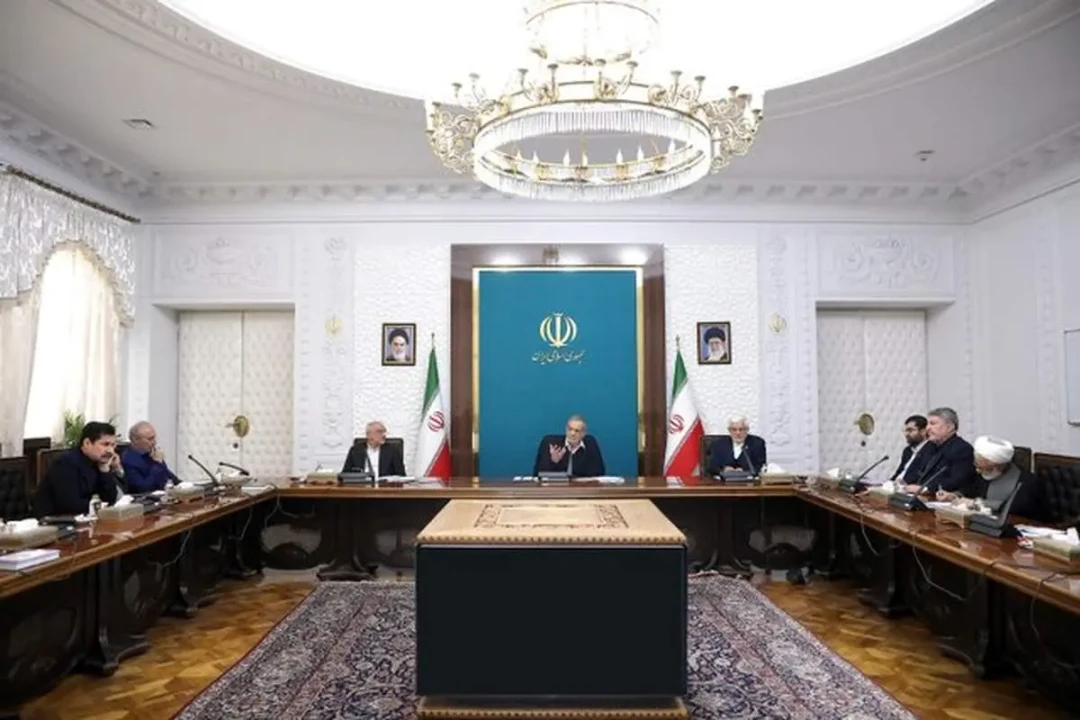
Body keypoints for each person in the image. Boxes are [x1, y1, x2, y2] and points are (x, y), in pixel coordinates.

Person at [939, 435, 1042, 518]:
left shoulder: (1026, 482)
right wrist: (954, 495)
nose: (977, 470)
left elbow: (1015, 508)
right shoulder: (984, 475)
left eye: (980, 466)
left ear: (995, 465)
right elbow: (970, 490)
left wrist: (977, 503)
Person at [33, 421, 121, 517]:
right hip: (54, 521)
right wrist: (99, 505)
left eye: (113, 445)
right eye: (105, 444)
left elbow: (110, 498)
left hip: (85, 518)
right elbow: (70, 504)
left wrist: (104, 471)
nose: (110, 451)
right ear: (87, 443)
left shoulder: (98, 462)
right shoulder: (66, 463)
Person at [905, 407, 977, 497]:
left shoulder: (962, 449)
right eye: (927, 424)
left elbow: (956, 481)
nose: (927, 428)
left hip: (944, 499)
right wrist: (905, 484)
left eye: (933, 424)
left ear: (950, 427)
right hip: (918, 496)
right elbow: (915, 470)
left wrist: (926, 488)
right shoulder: (929, 446)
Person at [532, 415, 606, 478]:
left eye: (577, 431)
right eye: (570, 429)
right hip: (556, 488)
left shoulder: (590, 445)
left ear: (583, 434)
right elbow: (538, 474)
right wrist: (554, 462)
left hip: (581, 488)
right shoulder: (553, 446)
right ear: (566, 429)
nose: (572, 433)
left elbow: (599, 474)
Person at [121, 421, 179, 493]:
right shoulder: (128, 459)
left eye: (154, 438)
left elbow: (170, 478)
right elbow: (143, 488)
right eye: (150, 439)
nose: (154, 442)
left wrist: (184, 486)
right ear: (135, 440)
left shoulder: (151, 454)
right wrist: (157, 464)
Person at [890, 414, 933, 483]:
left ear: (923, 432)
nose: (906, 434)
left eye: (910, 430)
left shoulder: (931, 450)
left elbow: (921, 476)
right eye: (905, 431)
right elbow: (899, 472)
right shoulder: (907, 451)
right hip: (897, 485)